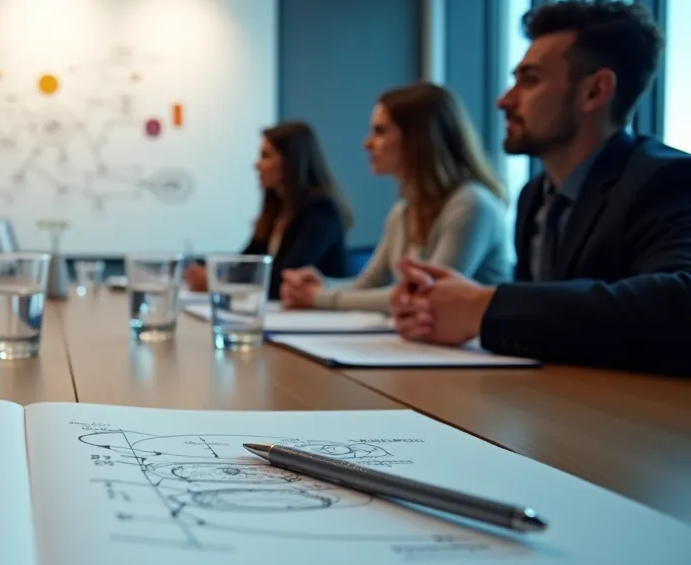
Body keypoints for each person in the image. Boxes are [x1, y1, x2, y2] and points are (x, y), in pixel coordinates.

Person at [495, 0, 691, 283]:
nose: (505, 101)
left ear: (595, 92)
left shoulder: (667, 181)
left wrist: (487, 304)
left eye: (530, 80)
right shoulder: (533, 197)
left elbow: (676, 297)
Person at [279, 83, 510, 312]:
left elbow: (426, 296)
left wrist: (319, 298)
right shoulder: (403, 211)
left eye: (380, 131)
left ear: (419, 139)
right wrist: (322, 285)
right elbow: (368, 284)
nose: (367, 143)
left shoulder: (471, 204)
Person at [390, 258, 691, 378]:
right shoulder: (536, 195)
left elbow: (675, 307)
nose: (501, 115)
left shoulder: (667, 176)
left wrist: (482, 307)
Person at [183, 122, 352, 298]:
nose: (257, 164)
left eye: (266, 156)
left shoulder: (321, 212)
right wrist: (208, 270)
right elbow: (247, 263)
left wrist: (216, 280)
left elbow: (284, 278)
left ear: (291, 161)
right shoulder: (276, 211)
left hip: (320, 319)